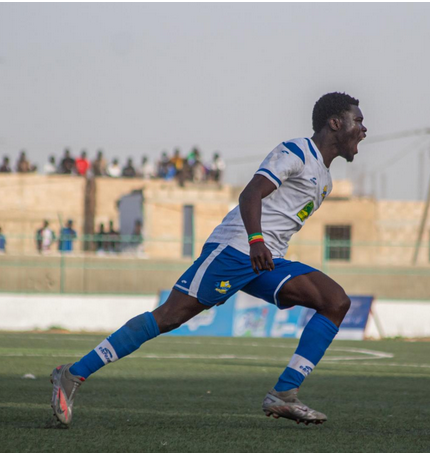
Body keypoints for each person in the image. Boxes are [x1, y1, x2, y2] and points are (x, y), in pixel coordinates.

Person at [49, 92, 368, 427]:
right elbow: (250, 194)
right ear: (335, 123)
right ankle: (72, 374)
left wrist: (263, 247)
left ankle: (284, 393)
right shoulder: (296, 152)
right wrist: (256, 240)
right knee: (169, 316)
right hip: (236, 248)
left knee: (335, 301)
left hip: (265, 260)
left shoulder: (326, 179)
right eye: (357, 121)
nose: (363, 129)